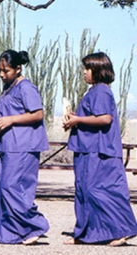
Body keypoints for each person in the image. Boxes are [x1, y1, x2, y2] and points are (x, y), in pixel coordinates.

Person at [63, 52, 137, 246]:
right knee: (85, 191)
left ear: (98, 70)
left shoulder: (102, 91)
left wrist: (78, 119)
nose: (84, 73)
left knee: (101, 191)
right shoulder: (94, 91)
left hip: (98, 150)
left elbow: (105, 118)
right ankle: (88, 233)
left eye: (88, 69)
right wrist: (75, 120)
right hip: (88, 148)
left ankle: (121, 230)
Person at [0, 49, 49, 245]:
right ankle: (15, 231)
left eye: (6, 70)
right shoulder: (8, 88)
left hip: (24, 145)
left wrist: (11, 120)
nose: (2, 74)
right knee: (5, 187)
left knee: (15, 186)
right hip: (8, 144)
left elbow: (37, 114)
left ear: (18, 68)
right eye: (0, 70)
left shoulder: (26, 87)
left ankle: (35, 226)